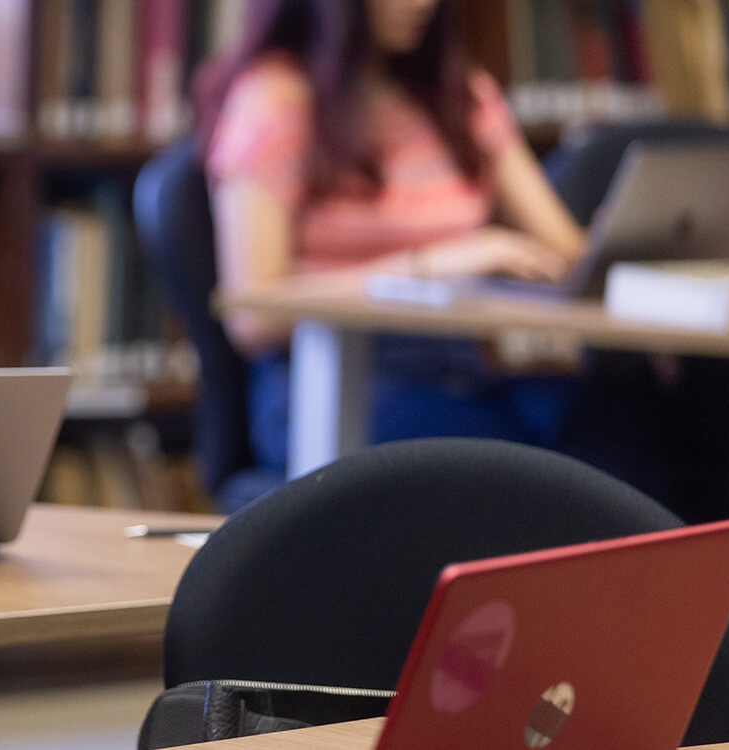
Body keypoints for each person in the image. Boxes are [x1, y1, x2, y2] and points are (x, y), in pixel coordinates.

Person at [199, 0, 657, 508]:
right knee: (522, 478)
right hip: (341, 381)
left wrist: (622, 240)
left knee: (620, 449)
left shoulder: (457, 92)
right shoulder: (275, 102)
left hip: (473, 368)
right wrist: (429, 267)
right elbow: (252, 311)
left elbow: (563, 249)